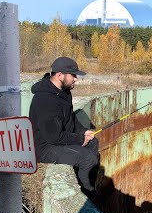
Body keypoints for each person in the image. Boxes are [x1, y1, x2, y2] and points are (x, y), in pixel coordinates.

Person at [29, 56, 100, 194]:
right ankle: (87, 193)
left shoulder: (64, 92)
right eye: (73, 75)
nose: (76, 78)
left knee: (93, 142)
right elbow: (53, 137)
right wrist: (80, 139)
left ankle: (88, 181)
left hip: (57, 138)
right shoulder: (45, 100)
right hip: (45, 147)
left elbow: (70, 118)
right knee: (87, 159)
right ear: (60, 75)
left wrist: (83, 132)